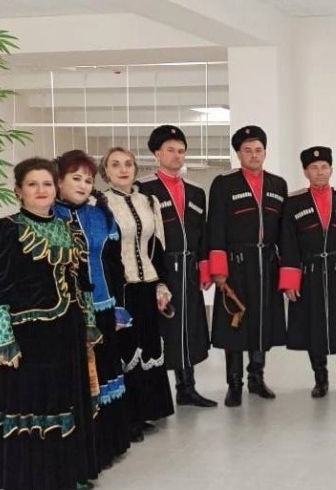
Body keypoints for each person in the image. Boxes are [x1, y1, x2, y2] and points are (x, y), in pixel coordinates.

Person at [0, 157, 100, 490]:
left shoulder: (69, 229)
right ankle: (31, 478)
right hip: (29, 335)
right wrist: (5, 339)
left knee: (66, 398)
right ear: (18, 190)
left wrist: (89, 324)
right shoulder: (6, 229)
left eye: (47, 183)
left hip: (68, 331)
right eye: (32, 184)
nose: (41, 190)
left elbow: (83, 283)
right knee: (33, 401)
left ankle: (65, 475)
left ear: (56, 188)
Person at [54, 150, 132, 469]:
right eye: (76, 178)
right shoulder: (50, 217)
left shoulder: (100, 215)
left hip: (103, 306)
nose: (83, 185)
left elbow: (114, 264)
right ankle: (84, 453)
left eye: (88, 180)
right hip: (67, 312)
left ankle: (108, 445)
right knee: (81, 380)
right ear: (59, 181)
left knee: (106, 372)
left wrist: (119, 306)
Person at [279, 146, 336, 398]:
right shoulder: (293, 202)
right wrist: (290, 280)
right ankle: (320, 380)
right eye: (314, 168)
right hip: (309, 275)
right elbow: (288, 243)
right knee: (314, 328)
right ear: (305, 172)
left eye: (324, 167)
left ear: (331, 170)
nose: (319, 172)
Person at [206, 126, 289, 407]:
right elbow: (215, 227)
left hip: (268, 264)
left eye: (258, 150)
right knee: (236, 323)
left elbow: (285, 232)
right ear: (239, 154)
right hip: (236, 264)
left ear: (265, 152)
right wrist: (219, 269)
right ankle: (234, 384)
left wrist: (288, 271)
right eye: (247, 150)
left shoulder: (278, 185)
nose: (254, 155)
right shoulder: (224, 184)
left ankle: (256, 377)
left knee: (262, 322)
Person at [136, 125, 216, 407]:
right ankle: (156, 394)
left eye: (181, 151)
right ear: (157, 153)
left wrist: (205, 268)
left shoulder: (196, 192)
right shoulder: (144, 189)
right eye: (170, 150)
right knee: (163, 328)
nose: (177, 156)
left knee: (189, 326)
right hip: (161, 267)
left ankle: (187, 388)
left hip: (190, 267)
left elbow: (203, 233)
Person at [101, 146, 175, 441]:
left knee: (148, 344)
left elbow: (158, 246)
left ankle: (146, 410)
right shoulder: (100, 203)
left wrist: (161, 285)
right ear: (105, 171)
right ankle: (127, 417)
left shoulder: (149, 201)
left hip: (147, 284)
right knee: (125, 348)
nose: (123, 169)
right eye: (115, 164)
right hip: (121, 287)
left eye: (128, 164)